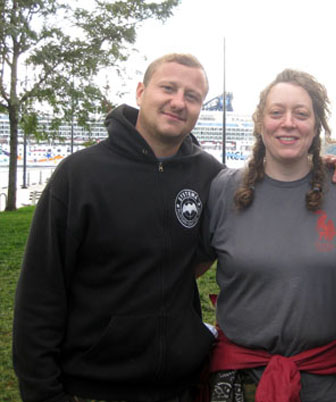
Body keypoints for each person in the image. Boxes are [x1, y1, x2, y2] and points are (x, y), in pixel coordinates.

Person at [12, 53, 225, 402]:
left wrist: (318, 167)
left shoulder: (209, 175)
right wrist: (41, 391)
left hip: (180, 388)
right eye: (168, 88)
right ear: (141, 91)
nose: (178, 102)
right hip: (94, 387)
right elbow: (40, 290)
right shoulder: (80, 175)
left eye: (192, 96)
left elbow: (263, 191)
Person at [200, 69, 336, 402]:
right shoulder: (223, 189)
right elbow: (189, 269)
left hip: (327, 384)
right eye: (276, 112)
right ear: (261, 121)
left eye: (301, 113)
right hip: (240, 383)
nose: (288, 122)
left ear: (316, 124)